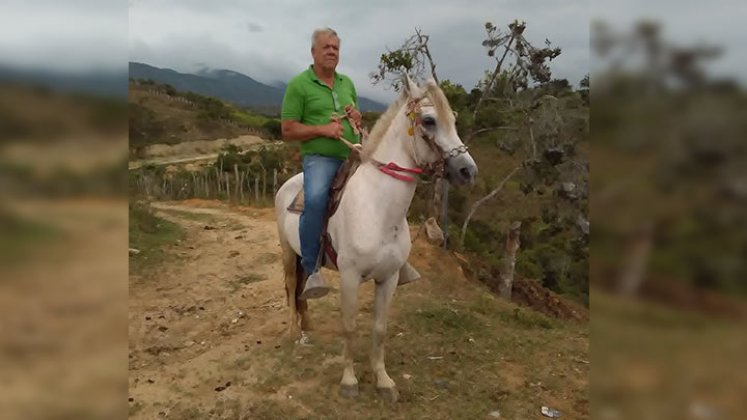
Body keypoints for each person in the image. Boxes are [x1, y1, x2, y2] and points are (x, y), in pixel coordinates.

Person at [280, 27, 362, 299]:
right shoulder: (299, 85)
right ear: (313, 51)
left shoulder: (347, 83)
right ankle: (312, 268)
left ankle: (393, 256)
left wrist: (356, 119)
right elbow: (288, 130)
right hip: (320, 158)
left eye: (335, 48)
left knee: (385, 184)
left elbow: (355, 120)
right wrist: (323, 130)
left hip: (352, 154)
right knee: (315, 199)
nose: (331, 52)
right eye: (326, 47)